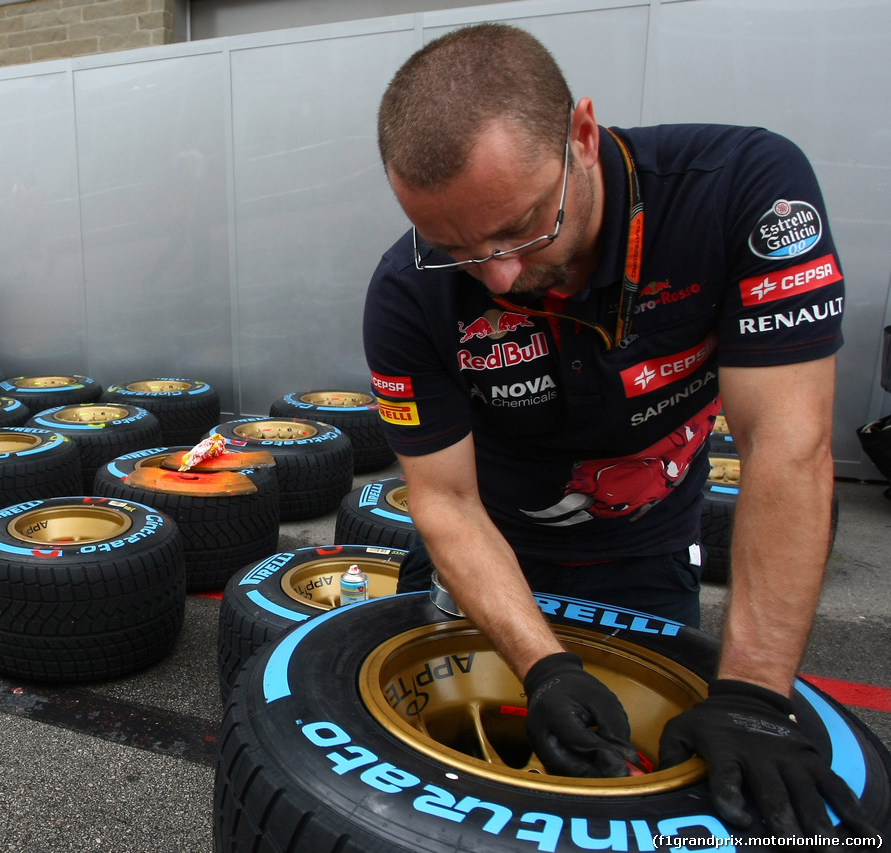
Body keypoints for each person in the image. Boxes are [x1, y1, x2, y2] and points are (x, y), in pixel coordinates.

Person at [364, 22, 872, 838]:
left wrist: (753, 691)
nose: (497, 274)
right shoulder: (405, 292)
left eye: (522, 228)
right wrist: (543, 664)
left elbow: (790, 447)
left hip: (644, 551)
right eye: (455, 248)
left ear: (583, 136)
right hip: (484, 548)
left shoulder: (746, 190)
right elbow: (446, 501)